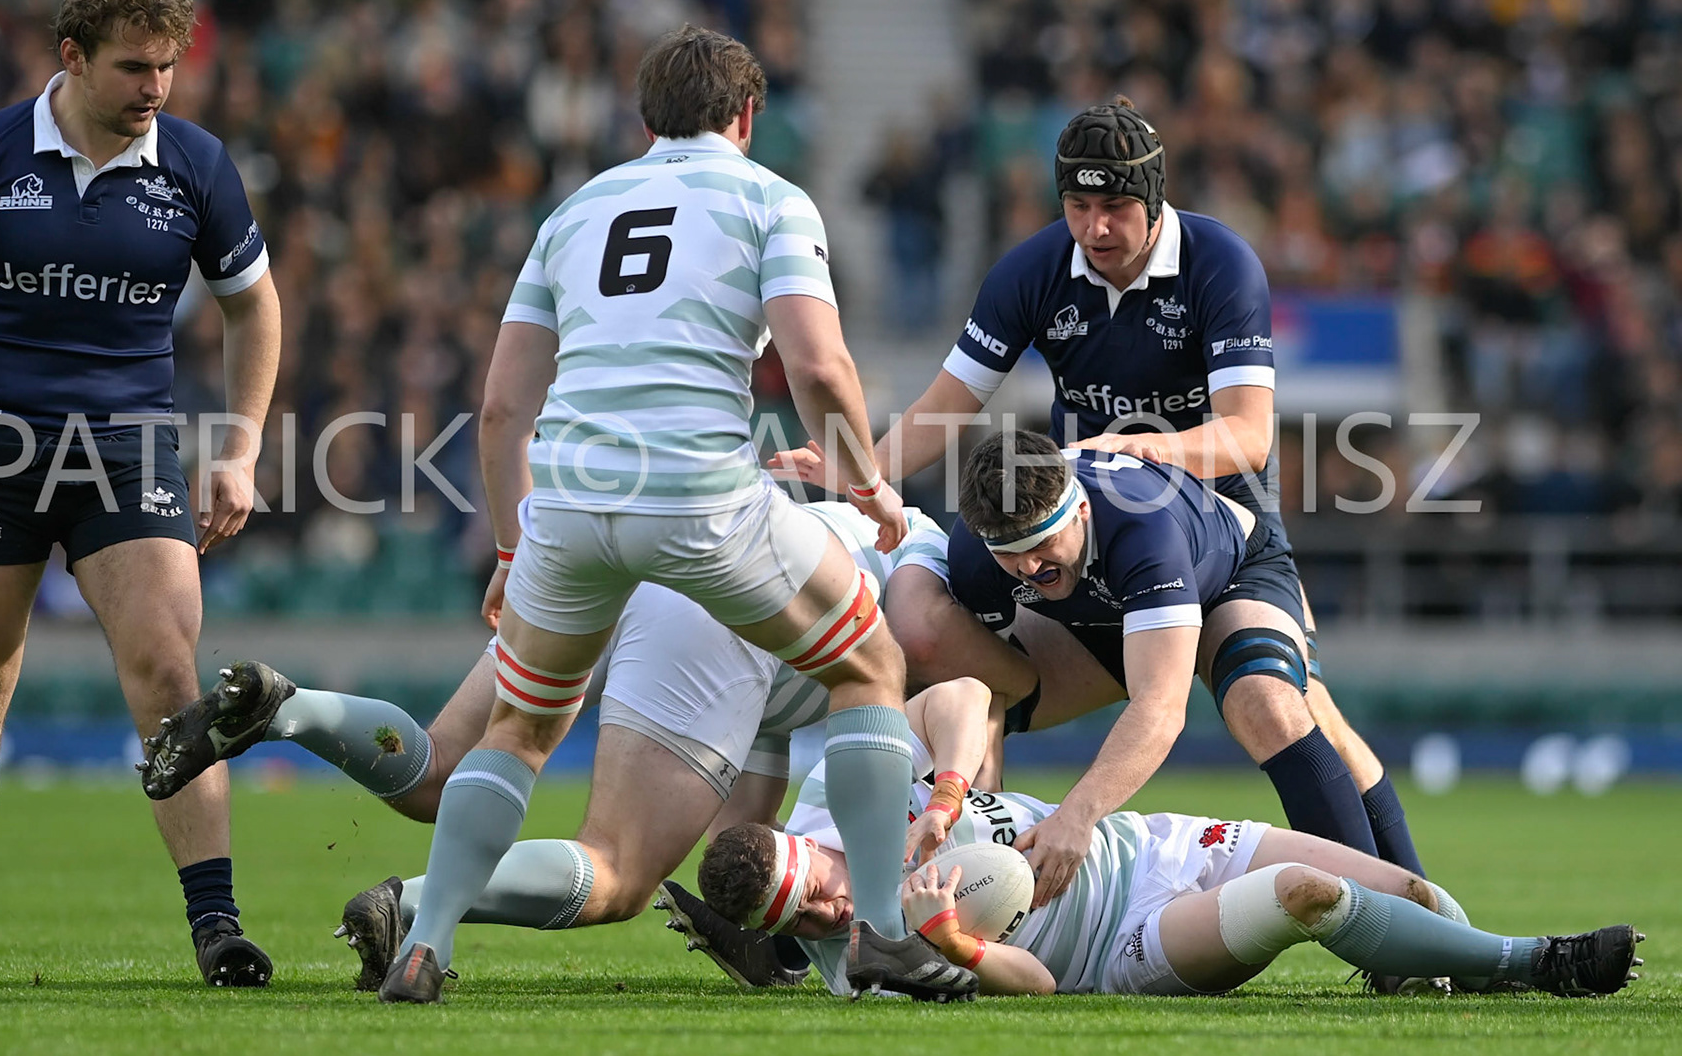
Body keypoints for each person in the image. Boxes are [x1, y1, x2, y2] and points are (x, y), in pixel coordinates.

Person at [361, 23, 971, 1004]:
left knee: (516, 729)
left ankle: (427, 942)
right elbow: (817, 365)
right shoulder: (771, 197)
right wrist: (868, 486)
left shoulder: (573, 212)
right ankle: (884, 935)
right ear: (748, 114)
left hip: (567, 497)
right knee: (869, 664)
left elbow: (506, 405)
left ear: (646, 121)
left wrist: (516, 546)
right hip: (697, 493)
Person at [776, 96, 1422, 874]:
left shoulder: (1220, 265)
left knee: (1278, 709)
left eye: (1115, 207)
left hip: (1224, 534)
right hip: (1090, 539)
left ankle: (1405, 923)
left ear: (1153, 202)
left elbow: (1248, 435)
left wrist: (1143, 449)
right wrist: (859, 469)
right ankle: (960, 893)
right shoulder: (1034, 269)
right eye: (1078, 207)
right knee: (957, 664)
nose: (1096, 229)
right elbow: (946, 408)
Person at [0, 0, 281, 986]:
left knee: (173, 681)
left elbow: (254, 305)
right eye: (134, 68)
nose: (156, 90)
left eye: (169, 68)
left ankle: (216, 926)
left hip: (127, 453)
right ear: (72, 57)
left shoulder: (197, 167)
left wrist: (244, 444)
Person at [138, 498, 963, 992]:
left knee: (441, 769)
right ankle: (423, 903)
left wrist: (765, 931)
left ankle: (291, 710)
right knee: (619, 869)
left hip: (609, 544)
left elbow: (746, 827)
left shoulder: (870, 529)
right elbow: (969, 687)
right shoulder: (933, 589)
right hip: (721, 608)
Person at [694, 677, 1644, 999]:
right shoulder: (867, 956)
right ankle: (1537, 963)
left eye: (814, 881)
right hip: (1123, 945)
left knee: (1411, 897)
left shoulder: (836, 791)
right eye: (807, 918)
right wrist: (957, 943)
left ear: (802, 841)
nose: (827, 905)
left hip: (1152, 845)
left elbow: (964, 698)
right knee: (1304, 896)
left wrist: (945, 792)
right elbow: (1042, 984)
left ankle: (1460, 968)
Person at [950, 431, 1416, 917]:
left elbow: (1161, 707)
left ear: (1080, 511)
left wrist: (1076, 817)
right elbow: (988, 695)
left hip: (1231, 576)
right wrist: (985, 821)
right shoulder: (973, 554)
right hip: (1107, 614)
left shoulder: (1141, 527)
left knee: (1268, 707)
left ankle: (1394, 922)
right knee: (970, 685)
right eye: (1009, 552)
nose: (1028, 565)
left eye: (1042, 542)